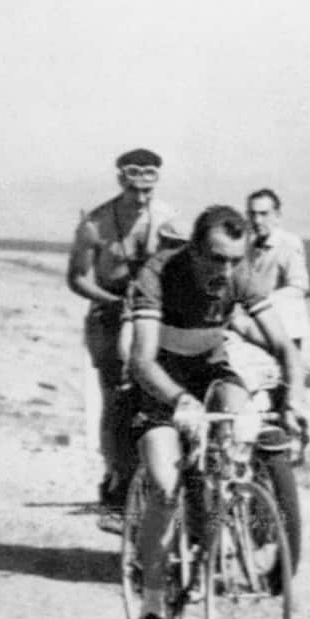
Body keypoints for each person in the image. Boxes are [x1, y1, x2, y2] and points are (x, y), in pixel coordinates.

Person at [126, 205, 306, 619]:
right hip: (161, 387)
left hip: (210, 372)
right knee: (165, 488)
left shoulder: (240, 274)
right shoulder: (158, 274)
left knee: (239, 416)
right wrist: (179, 402)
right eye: (215, 258)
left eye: (233, 260)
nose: (224, 271)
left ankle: (229, 498)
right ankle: (151, 605)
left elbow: (286, 348)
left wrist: (296, 400)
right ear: (192, 250)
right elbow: (141, 361)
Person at [66, 147, 182, 531]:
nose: (141, 197)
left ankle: (157, 480)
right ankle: (116, 482)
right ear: (121, 181)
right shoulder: (96, 223)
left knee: (156, 394)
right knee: (117, 398)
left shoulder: (167, 219)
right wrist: (115, 301)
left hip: (151, 315)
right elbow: (77, 277)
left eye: (147, 189)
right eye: (134, 189)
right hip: (110, 316)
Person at [245, 188, 310, 348]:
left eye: (263, 214)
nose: (257, 220)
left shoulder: (288, 244)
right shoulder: (249, 246)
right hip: (259, 330)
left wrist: (260, 301)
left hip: (285, 331)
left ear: (277, 216)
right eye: (252, 214)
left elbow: (298, 286)